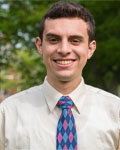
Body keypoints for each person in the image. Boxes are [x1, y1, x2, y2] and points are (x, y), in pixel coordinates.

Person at [0, 1, 120, 150]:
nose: (64, 49)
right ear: (39, 45)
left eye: (75, 40)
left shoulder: (116, 112)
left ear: (90, 48)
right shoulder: (7, 114)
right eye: (53, 40)